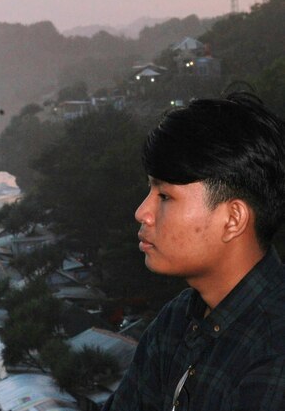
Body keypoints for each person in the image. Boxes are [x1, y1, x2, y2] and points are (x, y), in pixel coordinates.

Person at [103, 92, 285, 411]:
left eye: (165, 197)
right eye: (150, 190)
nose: (142, 211)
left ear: (232, 219)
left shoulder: (273, 350)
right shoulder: (177, 320)